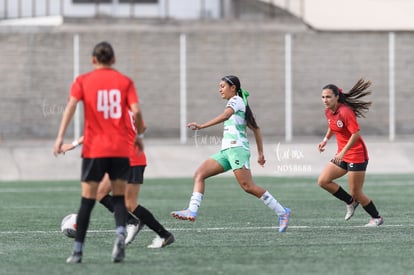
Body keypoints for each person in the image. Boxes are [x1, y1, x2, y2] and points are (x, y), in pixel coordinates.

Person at [53, 41, 145, 263]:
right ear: (113, 60)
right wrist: (139, 135)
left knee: (87, 201)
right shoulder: (125, 82)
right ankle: (121, 235)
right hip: (120, 150)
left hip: (95, 150)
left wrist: (60, 138)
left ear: (93, 60)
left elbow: (71, 108)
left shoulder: (83, 81)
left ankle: (77, 251)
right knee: (119, 198)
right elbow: (136, 111)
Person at [171, 75, 291, 233]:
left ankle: (282, 212)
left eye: (222, 86)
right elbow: (256, 128)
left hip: (237, 150)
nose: (219, 89)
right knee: (199, 174)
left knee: (248, 187)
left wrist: (201, 126)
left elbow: (226, 116)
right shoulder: (238, 104)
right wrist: (260, 154)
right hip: (226, 152)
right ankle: (191, 210)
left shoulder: (236, 101)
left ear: (233, 88)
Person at [63, 118, 174, 249]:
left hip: (132, 160)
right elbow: (143, 126)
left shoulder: (114, 111)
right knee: (100, 193)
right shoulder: (126, 109)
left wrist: (73, 144)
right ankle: (132, 221)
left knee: (130, 204)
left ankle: (164, 235)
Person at [317, 78, 383, 227]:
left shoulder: (345, 112)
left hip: (356, 155)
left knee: (357, 192)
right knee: (323, 181)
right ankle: (350, 202)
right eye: (323, 97)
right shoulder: (328, 111)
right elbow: (332, 126)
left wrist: (343, 152)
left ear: (337, 97)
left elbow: (356, 134)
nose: (325, 100)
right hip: (343, 154)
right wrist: (325, 140)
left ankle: (377, 217)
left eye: (328, 97)